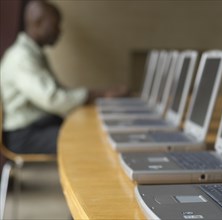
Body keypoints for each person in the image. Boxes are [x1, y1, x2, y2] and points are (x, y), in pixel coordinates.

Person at [0, 0, 127, 154]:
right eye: (56, 24)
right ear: (38, 23)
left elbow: (59, 91)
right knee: (90, 139)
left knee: (92, 129)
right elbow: (53, 99)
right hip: (25, 135)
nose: (60, 30)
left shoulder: (33, 54)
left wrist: (99, 95)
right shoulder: (22, 57)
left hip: (40, 126)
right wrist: (101, 95)